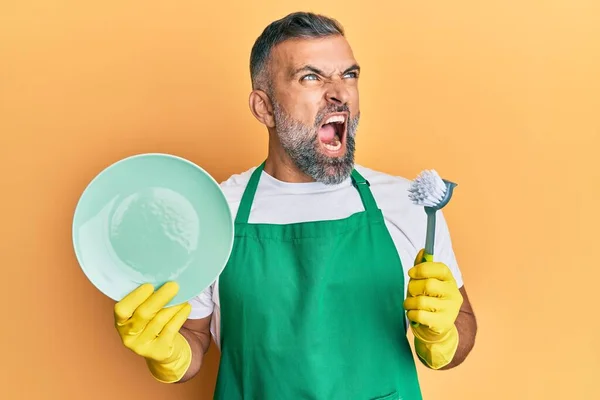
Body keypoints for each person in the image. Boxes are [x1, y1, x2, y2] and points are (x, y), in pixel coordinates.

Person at [112, 11, 478, 400]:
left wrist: (442, 337)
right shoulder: (217, 210)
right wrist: (167, 356)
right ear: (264, 108)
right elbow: (194, 337)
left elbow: (463, 325)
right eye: (311, 77)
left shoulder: (407, 204)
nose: (339, 93)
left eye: (348, 75)